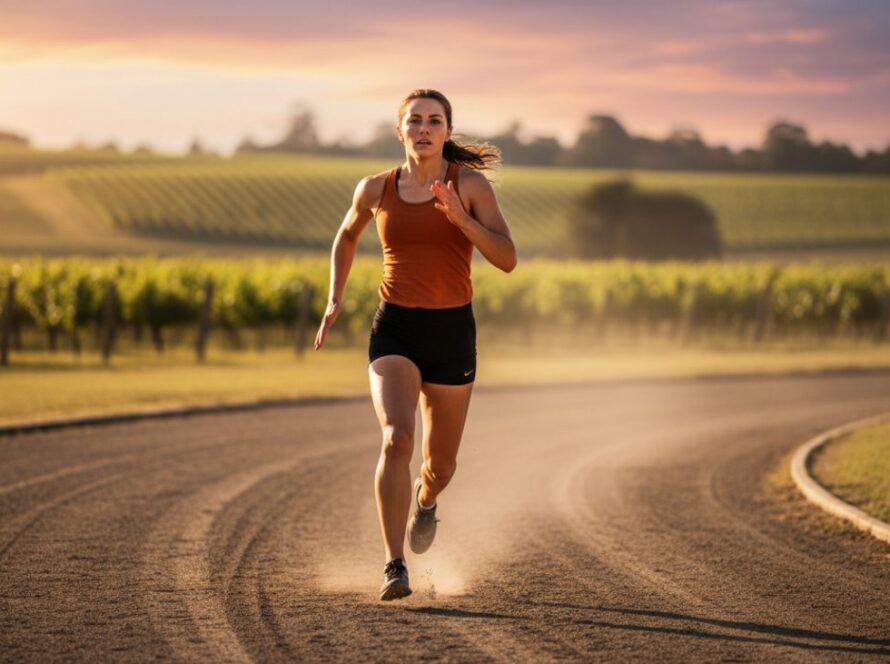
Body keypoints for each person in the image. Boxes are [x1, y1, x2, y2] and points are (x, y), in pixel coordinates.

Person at [314, 88, 516, 601]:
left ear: (448, 130)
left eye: (434, 121)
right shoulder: (376, 189)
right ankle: (393, 565)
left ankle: (426, 503)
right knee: (397, 439)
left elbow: (508, 258)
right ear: (399, 130)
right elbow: (346, 235)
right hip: (395, 328)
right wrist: (335, 297)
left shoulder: (468, 185)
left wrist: (462, 219)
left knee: (440, 466)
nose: (424, 129)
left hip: (452, 332)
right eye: (415, 121)